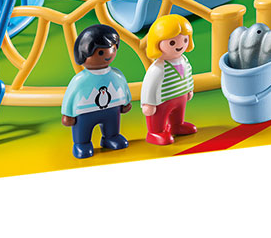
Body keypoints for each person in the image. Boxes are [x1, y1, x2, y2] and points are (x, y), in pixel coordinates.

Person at [60, 24, 132, 159]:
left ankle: (111, 137)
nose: (109, 54)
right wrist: (68, 114)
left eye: (113, 49)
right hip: (85, 112)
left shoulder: (116, 74)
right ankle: (82, 144)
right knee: (83, 130)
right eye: (101, 52)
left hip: (112, 109)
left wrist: (126, 102)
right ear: (83, 55)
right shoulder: (80, 80)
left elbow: (123, 86)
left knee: (112, 125)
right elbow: (71, 96)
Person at [141, 14, 197, 145]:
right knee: (158, 118)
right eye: (172, 42)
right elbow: (149, 86)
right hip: (162, 100)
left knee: (178, 114)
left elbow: (187, 75)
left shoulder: (183, 60)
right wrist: (148, 103)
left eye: (185, 40)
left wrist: (189, 90)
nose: (180, 45)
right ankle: (155, 132)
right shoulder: (158, 68)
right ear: (156, 43)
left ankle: (177, 125)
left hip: (180, 96)